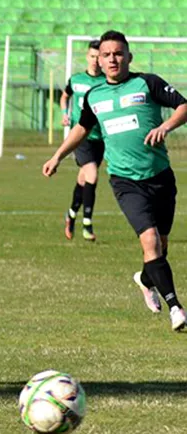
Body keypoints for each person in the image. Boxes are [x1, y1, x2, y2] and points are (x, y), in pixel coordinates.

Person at [43, 30, 187, 331]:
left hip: (160, 177)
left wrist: (166, 126)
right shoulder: (95, 96)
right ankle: (176, 308)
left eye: (118, 53)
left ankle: (145, 279)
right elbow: (81, 129)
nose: (112, 59)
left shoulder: (147, 83)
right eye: (106, 54)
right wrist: (57, 156)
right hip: (125, 181)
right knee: (149, 242)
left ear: (129, 56)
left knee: (160, 246)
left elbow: (184, 106)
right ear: (100, 58)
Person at [60, 40, 106, 241]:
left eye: (99, 57)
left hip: (100, 138)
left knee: (83, 179)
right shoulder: (76, 79)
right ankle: (87, 222)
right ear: (87, 57)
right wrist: (64, 113)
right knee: (93, 175)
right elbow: (65, 96)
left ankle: (70, 215)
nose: (95, 61)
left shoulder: (106, 82)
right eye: (92, 56)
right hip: (80, 136)